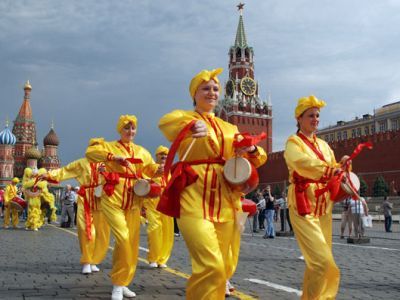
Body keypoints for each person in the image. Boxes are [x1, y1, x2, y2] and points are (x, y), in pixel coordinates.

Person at [158, 68, 267, 299]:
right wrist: (190, 127)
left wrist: (251, 149)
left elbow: (257, 158)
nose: (212, 92)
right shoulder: (187, 118)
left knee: (223, 264)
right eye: (205, 88)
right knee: (211, 265)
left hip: (226, 201)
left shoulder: (230, 127)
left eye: (215, 88)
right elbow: (166, 123)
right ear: (194, 94)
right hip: (194, 198)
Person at [86, 114, 160, 300]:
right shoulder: (109, 146)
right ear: (120, 129)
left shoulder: (142, 151)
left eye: (133, 128)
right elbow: (90, 153)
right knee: (124, 238)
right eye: (127, 128)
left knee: (132, 244)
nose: (130, 131)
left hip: (134, 202)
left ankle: (122, 283)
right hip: (113, 199)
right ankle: (118, 284)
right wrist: (112, 157)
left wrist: (158, 170)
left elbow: (149, 169)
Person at [284, 95, 344, 299]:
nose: (316, 119)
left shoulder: (325, 145)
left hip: (323, 208)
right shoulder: (293, 142)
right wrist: (328, 171)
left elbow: (334, 168)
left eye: (317, 115)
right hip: (303, 206)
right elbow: (300, 162)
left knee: (315, 264)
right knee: (322, 262)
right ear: (299, 118)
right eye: (311, 115)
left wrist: (342, 166)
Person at [44, 158, 111, 274]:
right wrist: (49, 174)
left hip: (102, 199)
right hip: (85, 199)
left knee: (103, 232)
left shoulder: (108, 163)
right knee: (86, 230)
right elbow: (65, 170)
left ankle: (95, 260)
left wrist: (106, 173)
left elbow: (119, 177)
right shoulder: (81, 163)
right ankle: (86, 261)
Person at [143, 145, 174, 269]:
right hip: (153, 202)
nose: (164, 157)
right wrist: (155, 174)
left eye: (166, 155)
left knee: (167, 231)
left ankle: (162, 258)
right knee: (155, 229)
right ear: (156, 156)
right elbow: (142, 181)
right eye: (161, 155)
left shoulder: (170, 171)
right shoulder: (150, 168)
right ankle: (153, 258)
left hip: (167, 202)